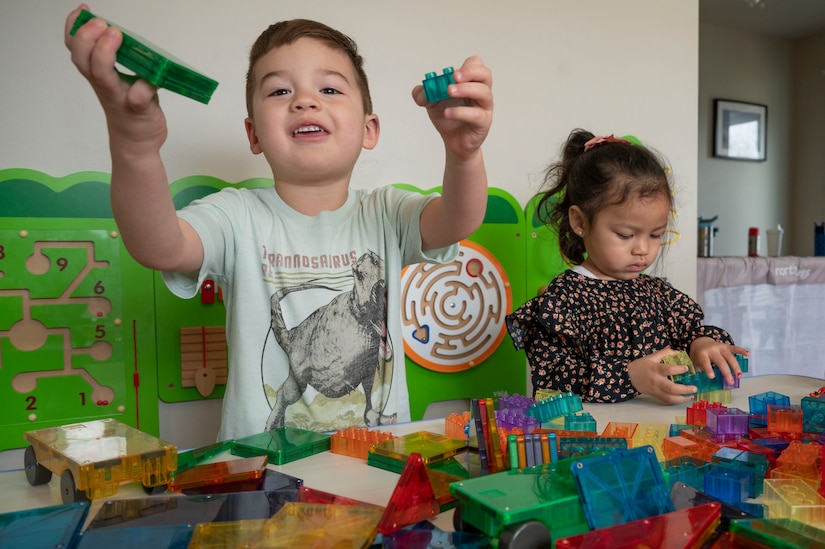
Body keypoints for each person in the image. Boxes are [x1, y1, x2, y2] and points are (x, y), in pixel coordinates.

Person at [65, 5, 493, 439]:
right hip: (263, 476)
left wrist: (464, 154)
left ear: (369, 129)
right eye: (279, 92)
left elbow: (458, 219)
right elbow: (157, 245)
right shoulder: (236, 216)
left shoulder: (386, 212)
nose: (305, 100)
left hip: (378, 471)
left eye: (328, 89)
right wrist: (135, 146)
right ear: (254, 134)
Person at [506, 129, 748, 405]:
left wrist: (701, 343)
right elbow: (553, 380)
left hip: (660, 431)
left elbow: (690, 331)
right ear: (580, 222)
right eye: (625, 235)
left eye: (656, 235)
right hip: (595, 437)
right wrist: (629, 376)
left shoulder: (657, 293)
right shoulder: (563, 299)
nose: (642, 249)